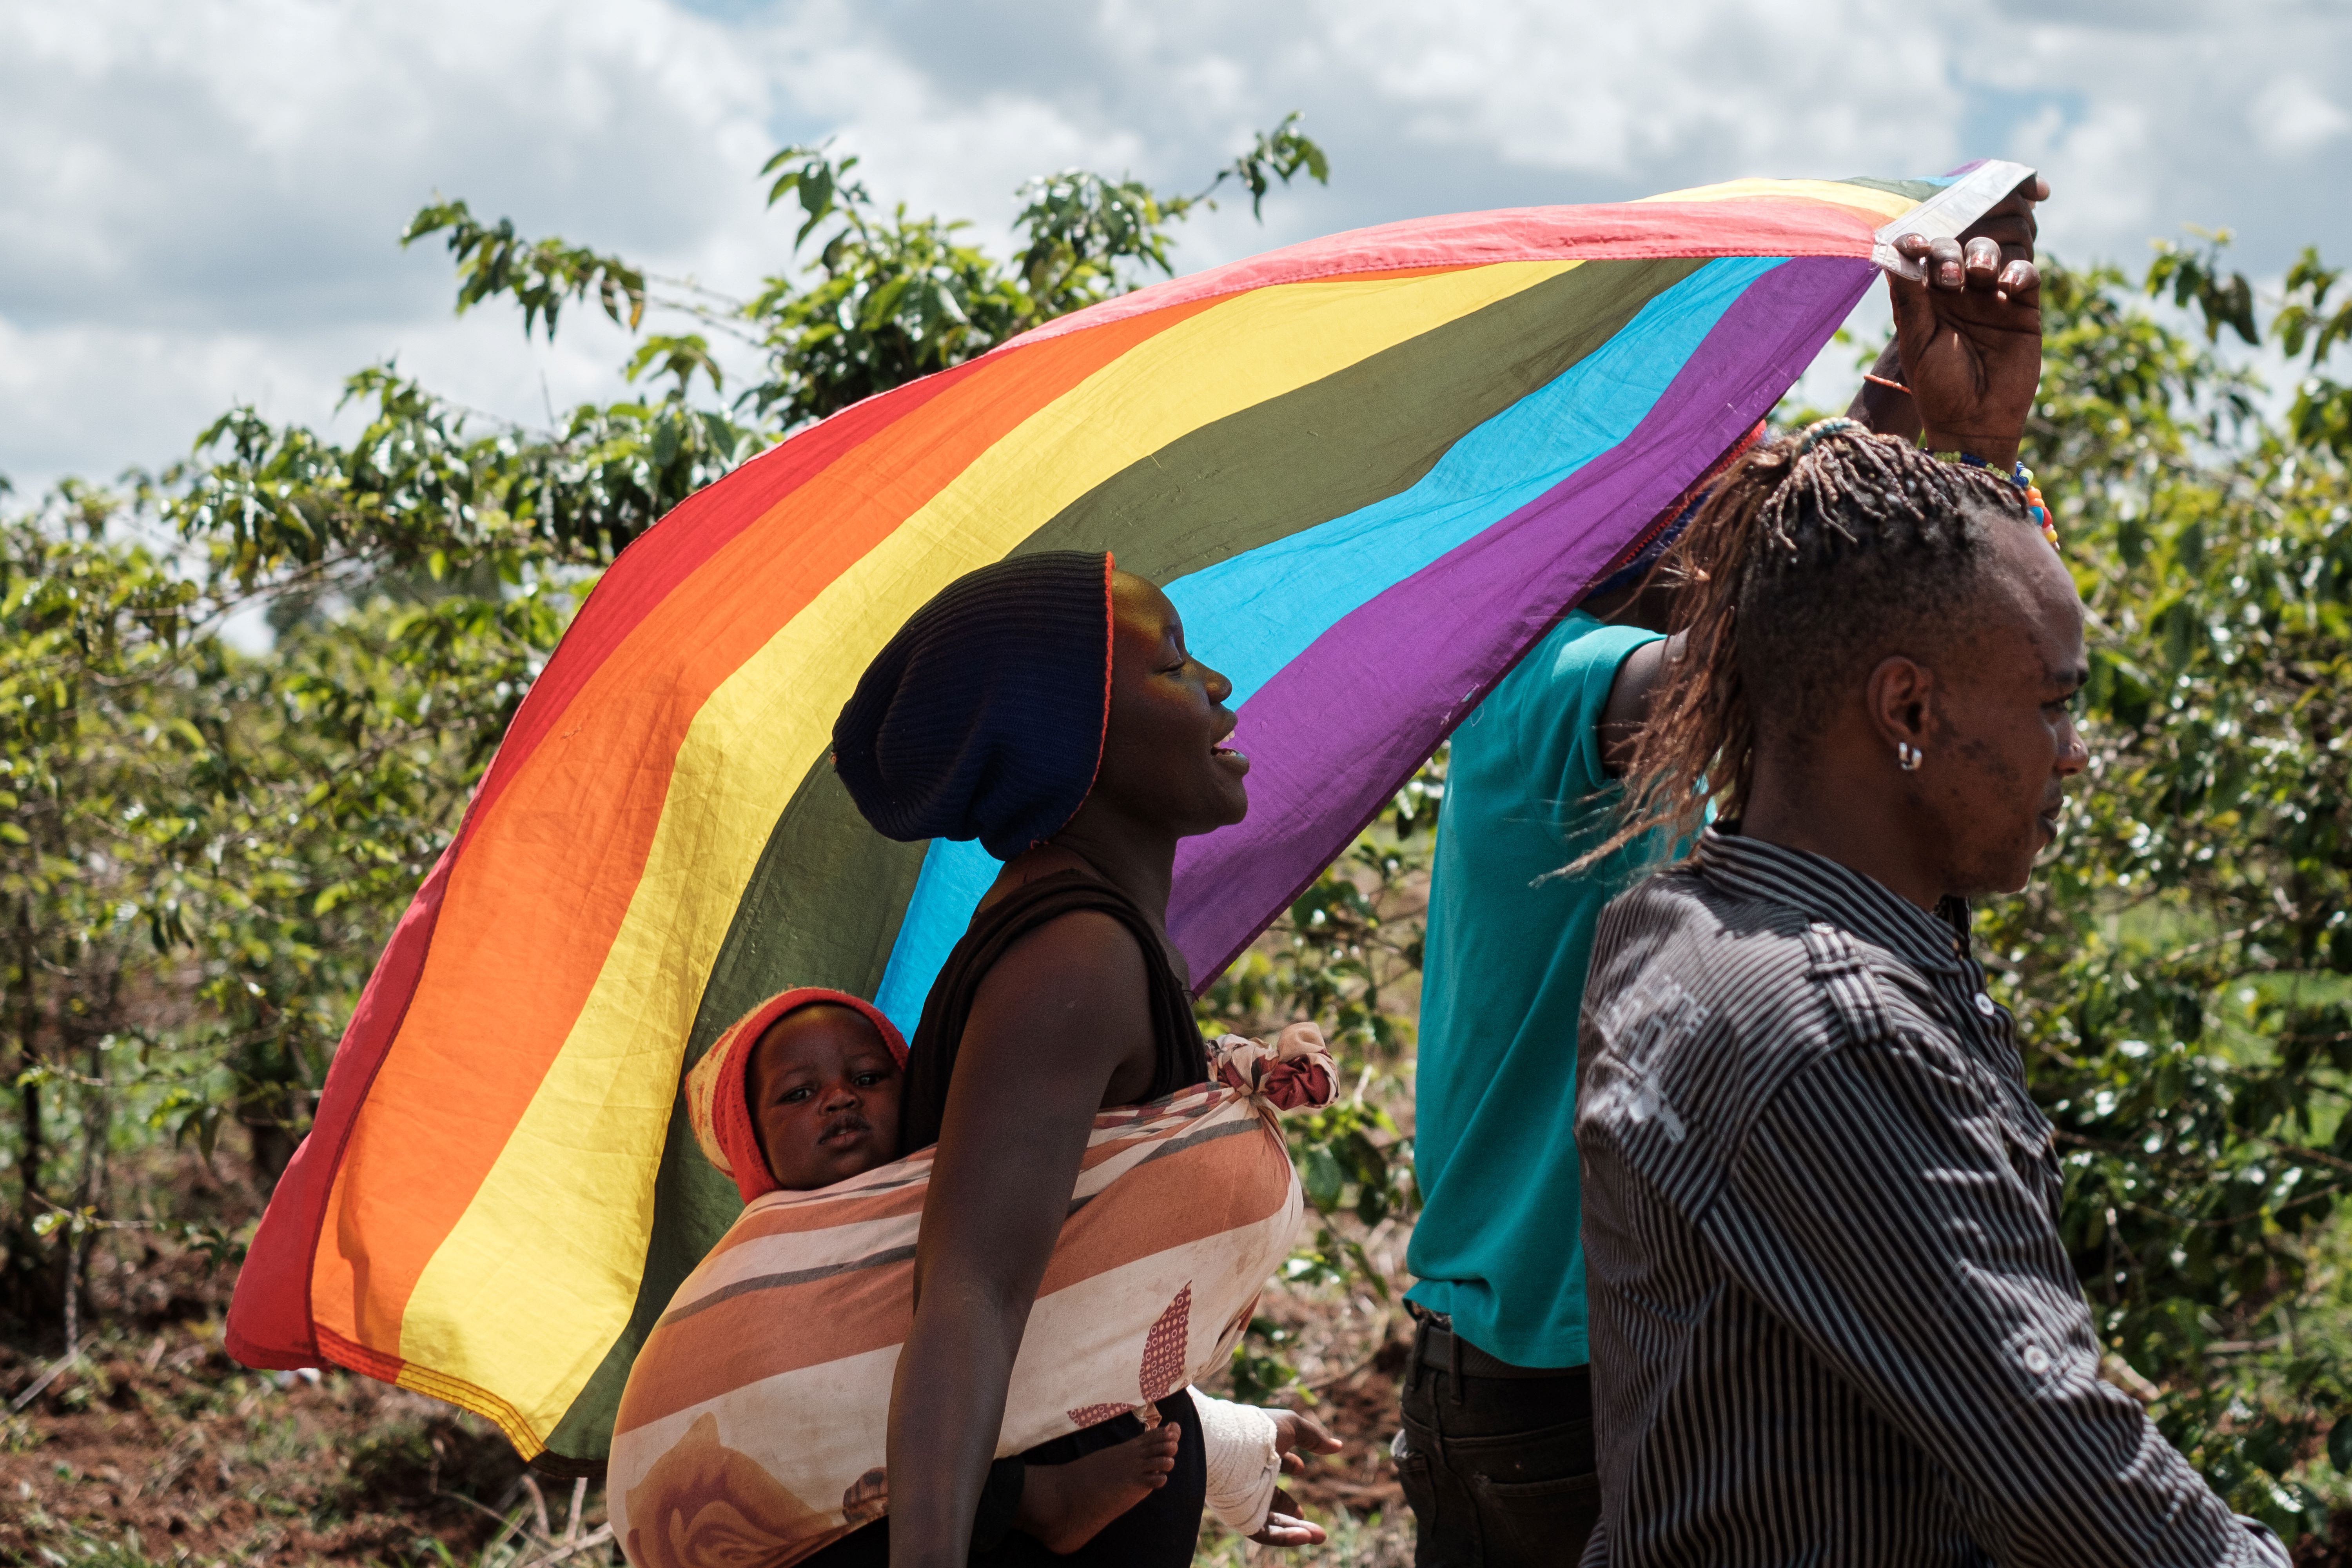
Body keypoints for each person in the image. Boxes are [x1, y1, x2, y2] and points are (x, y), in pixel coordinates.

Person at [1397, 179, 2053, 1566]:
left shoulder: (1610, 678)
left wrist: (1954, 435)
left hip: (1571, 1359)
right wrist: (1939, 445)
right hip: (1554, 1389)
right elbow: (1791, 674)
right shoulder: (1551, 689)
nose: (1746, 504)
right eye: (1727, 480)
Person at [1571, 318, 2290, 1559]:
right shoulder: (1827, 1028)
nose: (2076, 752)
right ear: (1907, 706)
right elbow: (2055, 1459)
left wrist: (1985, 453)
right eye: (2056, 705)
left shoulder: (1686, 922)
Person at [825, 550, 1344, 1567]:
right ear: (1076, 743)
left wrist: (1218, 1438)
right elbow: (969, 1294)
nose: (1219, 688)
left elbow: (1064, 1298)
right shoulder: (1075, 957)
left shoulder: (1100, 939)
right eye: (1173, 665)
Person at [671, 985, 1316, 1555]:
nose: (840, 1099)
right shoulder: (754, 1284)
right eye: (800, 1093)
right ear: (749, 1139)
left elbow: (1075, 1349)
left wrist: (1230, 1440)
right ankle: (1029, 1498)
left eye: (869, 1078)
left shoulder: (964, 1199)